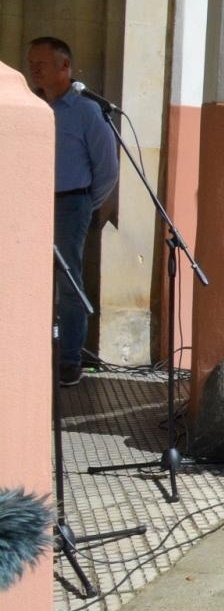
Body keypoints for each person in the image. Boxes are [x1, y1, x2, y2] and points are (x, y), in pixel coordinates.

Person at [26, 37, 119, 387]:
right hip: (32, 205)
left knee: (68, 284)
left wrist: (83, 203)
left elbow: (107, 168)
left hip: (70, 203)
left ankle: (68, 360)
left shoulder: (86, 110)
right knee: (27, 281)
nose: (34, 68)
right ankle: (28, 354)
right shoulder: (31, 107)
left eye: (42, 63)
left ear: (65, 67)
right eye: (31, 62)